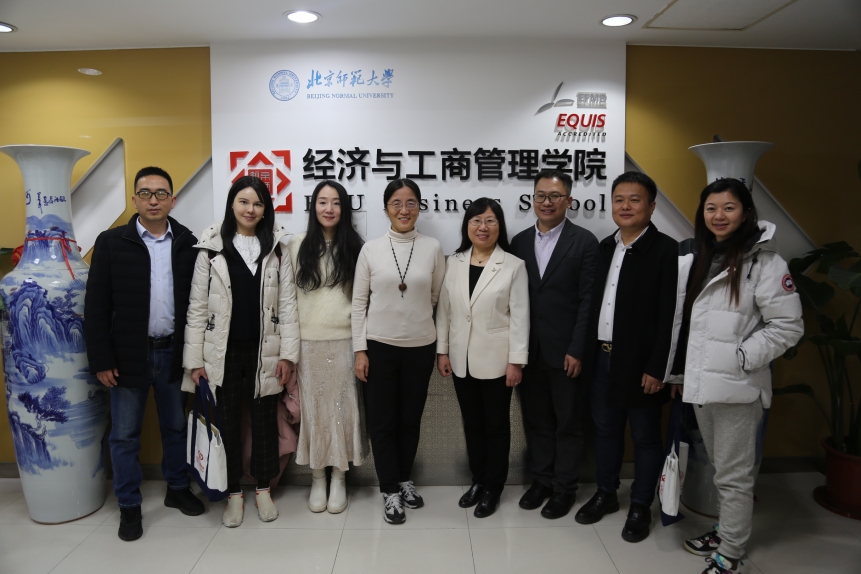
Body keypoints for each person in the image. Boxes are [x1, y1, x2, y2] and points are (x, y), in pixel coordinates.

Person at [670, 178, 803, 574]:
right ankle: (726, 532)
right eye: (711, 208)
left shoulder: (766, 264)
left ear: (745, 213)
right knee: (721, 468)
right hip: (702, 385)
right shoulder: (700, 257)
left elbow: (788, 326)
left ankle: (730, 553)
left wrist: (742, 357)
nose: (719, 215)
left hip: (738, 388)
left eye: (729, 207)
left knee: (733, 476)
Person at [85, 166, 205, 542]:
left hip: (173, 352)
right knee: (124, 436)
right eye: (146, 193)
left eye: (161, 193)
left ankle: (177, 488)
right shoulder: (111, 242)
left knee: (176, 427)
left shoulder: (187, 242)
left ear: (173, 200)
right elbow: (96, 306)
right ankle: (129, 504)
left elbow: (198, 305)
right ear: (135, 200)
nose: (154, 200)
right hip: (127, 356)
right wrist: (102, 359)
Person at [183, 175, 299, 528]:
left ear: (266, 209)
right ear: (232, 204)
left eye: (258, 203)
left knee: (264, 422)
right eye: (244, 202)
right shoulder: (211, 248)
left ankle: (263, 489)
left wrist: (288, 356)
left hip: (266, 351)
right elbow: (197, 308)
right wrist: (194, 362)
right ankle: (233, 492)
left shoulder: (278, 249)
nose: (250, 209)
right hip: (223, 353)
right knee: (228, 423)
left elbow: (289, 306)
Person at [575, 172, 679, 543]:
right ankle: (606, 493)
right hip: (602, 359)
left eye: (635, 200)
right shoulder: (605, 247)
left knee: (646, 436)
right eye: (619, 199)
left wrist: (658, 367)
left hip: (642, 365)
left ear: (651, 206)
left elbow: (670, 315)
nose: (625, 206)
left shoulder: (666, 251)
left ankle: (640, 504)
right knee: (605, 431)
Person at [351, 178, 446, 525]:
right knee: (382, 422)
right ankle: (389, 489)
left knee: (409, 419)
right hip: (379, 347)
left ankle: (404, 479)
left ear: (419, 207)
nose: (404, 210)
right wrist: (360, 350)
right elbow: (358, 304)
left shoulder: (433, 247)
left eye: (410, 203)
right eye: (396, 203)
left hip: (420, 348)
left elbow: (436, 297)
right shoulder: (371, 249)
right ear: (386, 209)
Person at [509, 169, 598, 519]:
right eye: (541, 196)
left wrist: (577, 348)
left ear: (569, 201)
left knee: (568, 424)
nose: (547, 202)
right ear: (533, 199)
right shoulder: (518, 242)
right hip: (529, 351)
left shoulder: (585, 242)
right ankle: (541, 481)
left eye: (555, 196)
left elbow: (588, 301)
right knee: (537, 422)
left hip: (566, 353)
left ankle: (564, 488)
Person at [436, 198, 529, 518]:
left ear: (499, 226)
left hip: (497, 361)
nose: (483, 227)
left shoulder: (513, 265)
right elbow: (445, 311)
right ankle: (478, 480)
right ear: (467, 226)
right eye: (476, 221)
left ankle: (493, 487)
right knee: (472, 424)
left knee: (496, 426)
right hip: (460, 359)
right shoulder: (454, 262)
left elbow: (520, 318)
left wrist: (516, 361)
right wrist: (442, 351)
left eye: (490, 221)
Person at [288, 180, 368, 514]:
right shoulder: (295, 245)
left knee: (342, 411)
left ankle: (339, 477)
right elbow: (287, 301)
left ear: (344, 208)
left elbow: (363, 302)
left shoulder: (358, 248)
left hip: (345, 341)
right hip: (307, 343)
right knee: (314, 413)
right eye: (322, 202)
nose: (329, 208)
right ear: (314, 207)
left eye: (336, 202)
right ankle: (317, 476)